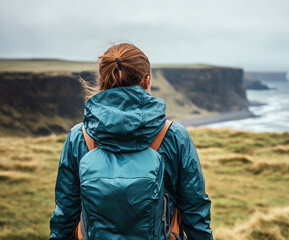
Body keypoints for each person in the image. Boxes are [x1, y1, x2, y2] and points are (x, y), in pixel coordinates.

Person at [49, 43, 213, 239]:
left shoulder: (79, 137)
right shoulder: (174, 136)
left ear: (101, 81)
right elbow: (195, 213)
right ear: (147, 81)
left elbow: (65, 216)